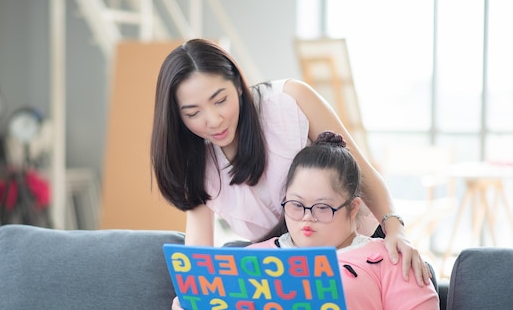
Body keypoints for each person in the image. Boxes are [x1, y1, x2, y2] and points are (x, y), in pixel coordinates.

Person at [151, 38, 430, 284]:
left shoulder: (288, 102)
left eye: (220, 100)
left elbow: (363, 173)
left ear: (237, 84)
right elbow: (200, 257)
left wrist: (396, 231)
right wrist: (190, 299)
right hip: (288, 278)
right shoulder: (196, 163)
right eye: (193, 113)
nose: (213, 120)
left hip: (356, 253)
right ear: (177, 117)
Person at [172, 131, 443, 310]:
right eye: (296, 205)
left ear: (352, 208)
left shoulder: (389, 258)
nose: (306, 220)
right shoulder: (254, 256)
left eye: (323, 208)